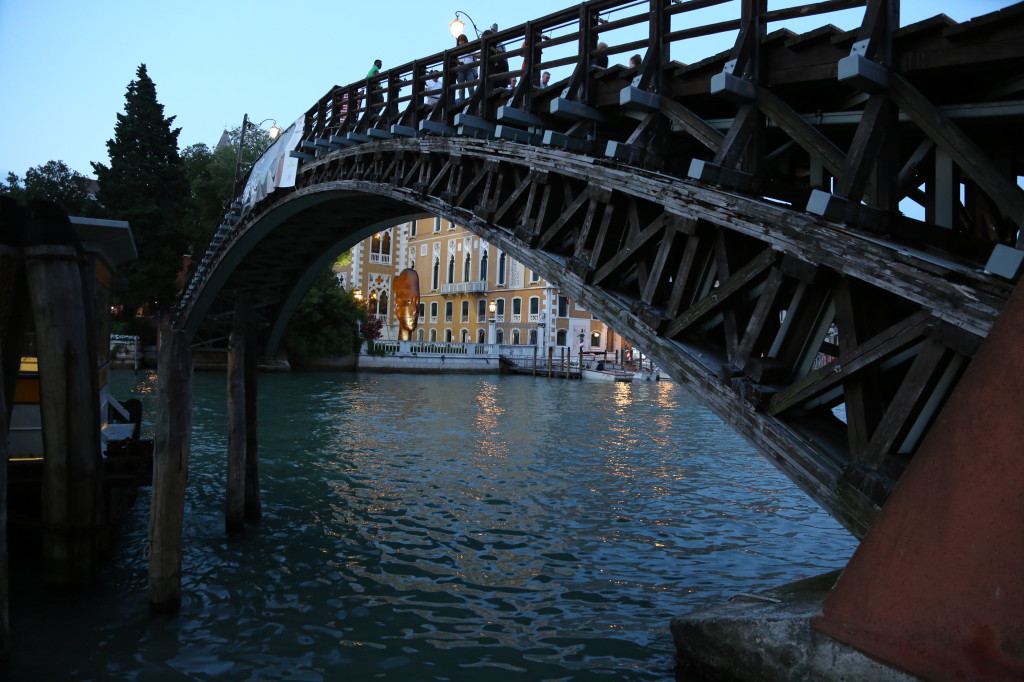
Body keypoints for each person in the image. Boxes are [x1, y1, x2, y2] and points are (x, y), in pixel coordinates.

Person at [455, 34, 477, 101]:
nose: (462, 42)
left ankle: (471, 102)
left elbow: (476, 58)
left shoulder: (470, 49)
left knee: (471, 88)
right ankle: (462, 103)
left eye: (463, 41)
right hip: (460, 69)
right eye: (460, 41)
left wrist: (475, 72)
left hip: (470, 69)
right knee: (461, 89)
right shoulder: (456, 50)